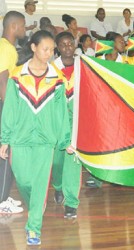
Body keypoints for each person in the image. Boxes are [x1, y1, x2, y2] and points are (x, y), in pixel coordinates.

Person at [0, 30, 72, 246]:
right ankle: (36, 205)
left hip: (45, 140)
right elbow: (10, 109)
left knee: (40, 183)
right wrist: (5, 138)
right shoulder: (16, 76)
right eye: (46, 49)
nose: (50, 53)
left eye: (52, 50)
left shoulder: (58, 79)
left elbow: (62, 111)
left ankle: (33, 228)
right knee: (23, 181)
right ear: (33, 47)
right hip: (20, 138)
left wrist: (65, 140)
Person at [52, 31, 82, 219]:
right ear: (58, 47)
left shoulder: (84, 65)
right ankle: (58, 186)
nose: (68, 48)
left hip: (77, 122)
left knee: (73, 161)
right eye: (63, 45)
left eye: (70, 44)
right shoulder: (50, 69)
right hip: (57, 122)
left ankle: (71, 202)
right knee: (57, 161)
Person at [0, 10, 26, 214]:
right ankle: (1, 200)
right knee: (5, 153)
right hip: (3, 105)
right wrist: (10, 111)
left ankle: (3, 195)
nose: (25, 29)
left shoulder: (6, 48)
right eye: (23, 26)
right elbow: (2, 80)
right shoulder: (5, 48)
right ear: (14, 26)